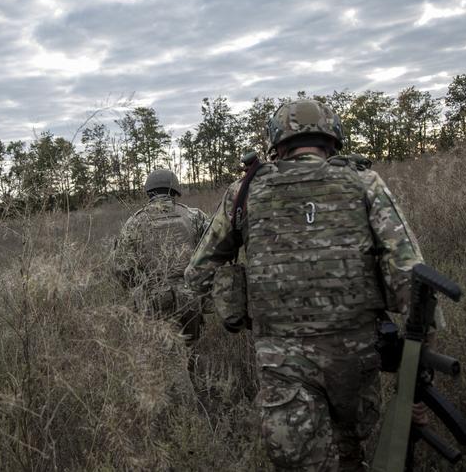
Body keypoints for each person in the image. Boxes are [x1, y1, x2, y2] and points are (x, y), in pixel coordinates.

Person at [184, 99, 442, 471]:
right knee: (352, 451)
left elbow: (197, 273)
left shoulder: (245, 191)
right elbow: (412, 277)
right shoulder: (363, 181)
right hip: (355, 354)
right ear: (332, 139)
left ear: (277, 143)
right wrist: (415, 376)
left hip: (281, 358)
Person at [113, 168, 209, 344]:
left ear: (149, 192)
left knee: (162, 355)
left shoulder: (134, 222)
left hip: (153, 299)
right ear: (175, 190)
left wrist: (139, 287)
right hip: (190, 297)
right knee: (191, 349)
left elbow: (121, 267)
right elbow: (213, 250)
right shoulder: (194, 216)